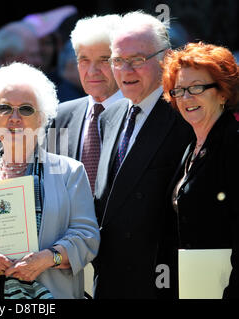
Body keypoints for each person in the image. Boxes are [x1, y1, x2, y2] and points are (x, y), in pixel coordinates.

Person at [0, 62, 100, 299]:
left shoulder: (68, 171)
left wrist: (48, 259)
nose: (14, 118)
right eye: (5, 108)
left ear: (42, 118)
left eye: (26, 109)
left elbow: (87, 236)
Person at [92, 11, 193, 299]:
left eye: (137, 60)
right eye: (117, 61)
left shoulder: (185, 114)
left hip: (159, 280)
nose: (125, 70)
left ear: (167, 58)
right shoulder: (108, 116)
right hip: (109, 279)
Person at [161, 42, 239, 298]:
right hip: (194, 286)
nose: (186, 98)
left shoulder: (233, 142)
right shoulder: (191, 147)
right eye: (179, 90)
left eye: (196, 87)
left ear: (223, 92)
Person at [48, 14, 123, 193]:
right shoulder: (58, 116)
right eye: (84, 60)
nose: (92, 71)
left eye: (104, 60)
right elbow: (50, 182)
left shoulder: (136, 114)